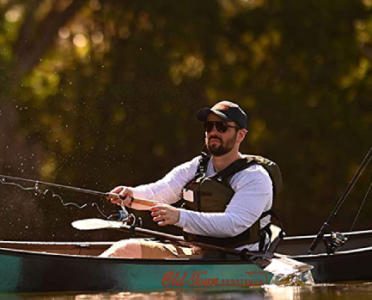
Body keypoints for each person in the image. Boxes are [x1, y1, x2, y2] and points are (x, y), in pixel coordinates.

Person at [102, 101, 279, 259]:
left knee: (126, 249)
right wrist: (131, 194)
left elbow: (232, 224)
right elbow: (160, 191)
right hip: (198, 252)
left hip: (240, 258)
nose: (214, 132)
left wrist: (180, 217)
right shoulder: (196, 167)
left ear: (240, 135)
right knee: (125, 249)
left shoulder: (255, 177)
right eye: (209, 126)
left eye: (222, 127)